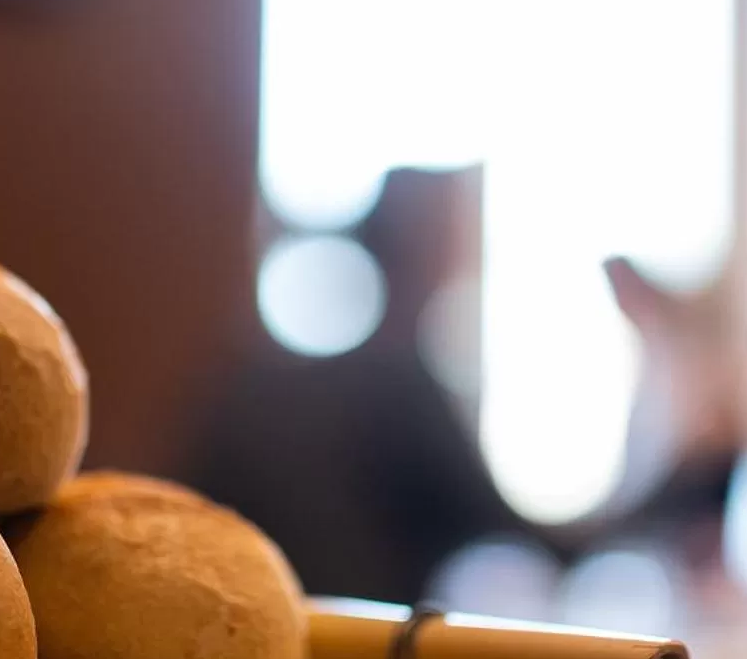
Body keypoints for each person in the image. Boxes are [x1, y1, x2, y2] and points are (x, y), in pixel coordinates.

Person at [184, 169, 520, 604]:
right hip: (367, 649)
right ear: (428, 243)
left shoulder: (255, 381)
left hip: (265, 622)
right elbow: (492, 521)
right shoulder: (398, 382)